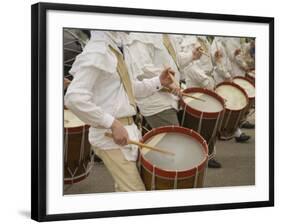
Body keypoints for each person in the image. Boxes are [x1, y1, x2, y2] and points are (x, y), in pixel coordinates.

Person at [64, 31, 176, 192]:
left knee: (124, 191)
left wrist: (158, 81)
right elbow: (74, 97)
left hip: (128, 132)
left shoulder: (116, 48)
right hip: (110, 137)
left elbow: (130, 89)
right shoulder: (97, 51)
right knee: (135, 194)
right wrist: (112, 123)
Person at [165, 34, 222, 168]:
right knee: (200, 124)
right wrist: (206, 81)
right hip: (197, 85)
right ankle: (201, 155)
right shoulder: (189, 41)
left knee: (209, 122)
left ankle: (209, 154)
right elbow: (189, 67)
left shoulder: (205, 40)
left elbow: (210, 62)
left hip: (207, 79)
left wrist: (216, 60)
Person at [124, 32, 181, 129]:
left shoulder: (163, 34)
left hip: (170, 99)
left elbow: (175, 61)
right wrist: (168, 83)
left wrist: (192, 56)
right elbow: (143, 69)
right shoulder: (138, 35)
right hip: (157, 104)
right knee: (174, 142)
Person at [216, 37, 252, 142]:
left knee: (230, 107)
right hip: (221, 78)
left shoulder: (222, 43)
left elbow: (227, 59)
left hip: (227, 75)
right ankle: (232, 131)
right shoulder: (218, 44)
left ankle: (235, 131)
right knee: (228, 107)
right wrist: (228, 75)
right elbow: (218, 64)